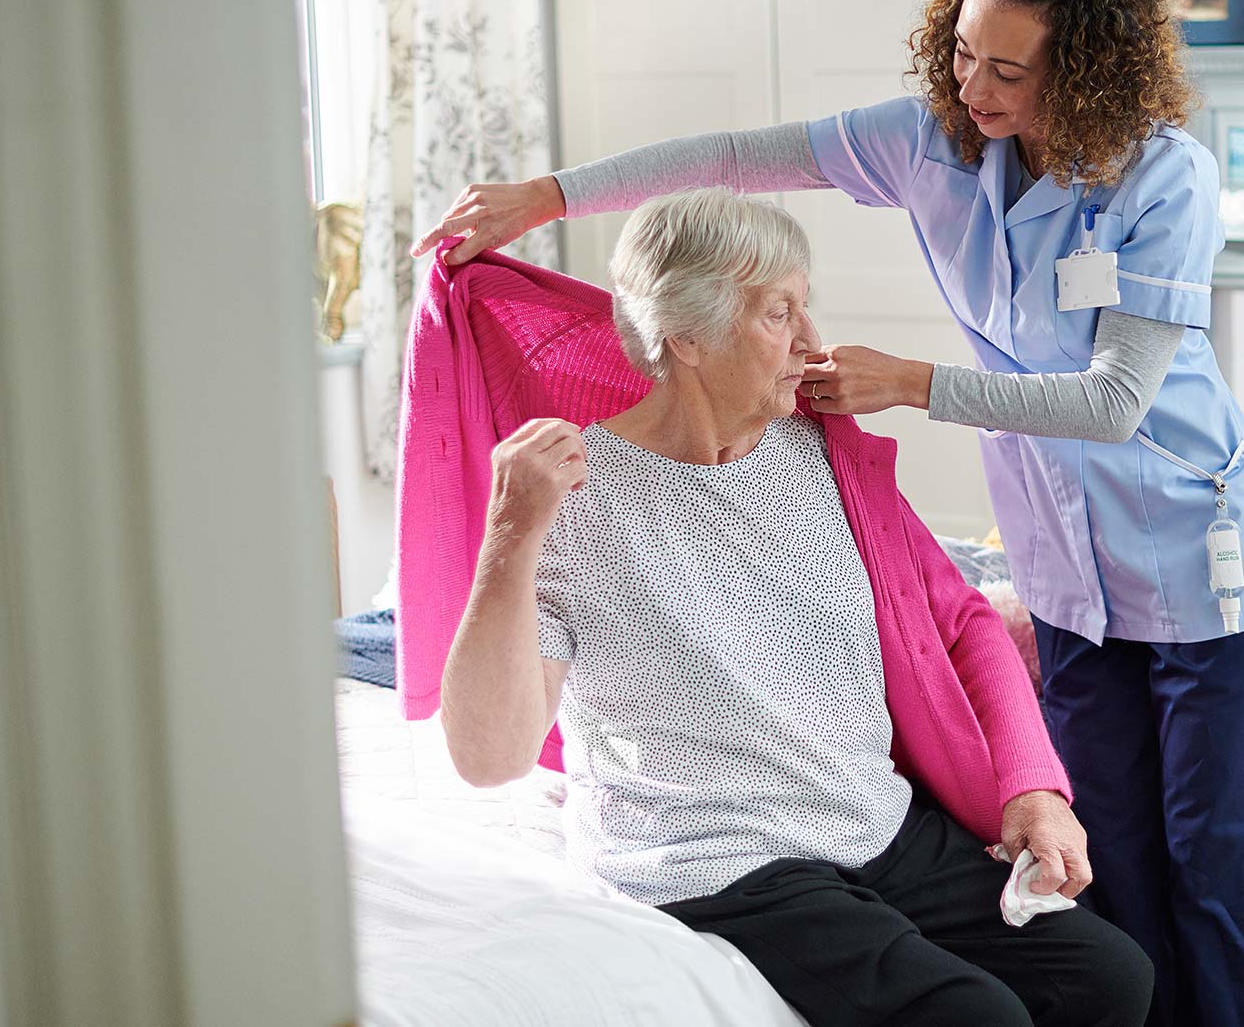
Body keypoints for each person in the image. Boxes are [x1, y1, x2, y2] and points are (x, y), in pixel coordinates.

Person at [416, 0, 1244, 1025]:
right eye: (961, 51)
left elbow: (1113, 402)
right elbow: (737, 156)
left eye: (1008, 70)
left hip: (1199, 562)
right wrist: (549, 195)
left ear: (1079, 73)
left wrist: (910, 383)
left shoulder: (1161, 178)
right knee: (1120, 884)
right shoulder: (930, 142)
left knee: (1228, 892)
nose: (972, 86)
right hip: (1068, 577)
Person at [439, 187, 1153, 1027]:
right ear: (687, 335)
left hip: (864, 818)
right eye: (781, 312)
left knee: (1111, 974)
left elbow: (961, 620)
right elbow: (490, 757)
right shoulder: (575, 502)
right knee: (975, 1016)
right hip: (715, 852)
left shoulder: (822, 447)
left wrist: (1036, 789)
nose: (812, 341)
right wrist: (509, 534)